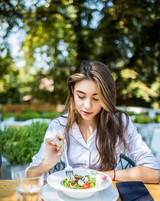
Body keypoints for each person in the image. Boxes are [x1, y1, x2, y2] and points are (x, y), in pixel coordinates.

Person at [26, 60, 160, 183]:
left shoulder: (120, 122)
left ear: (107, 97)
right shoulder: (58, 126)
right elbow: (29, 178)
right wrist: (47, 163)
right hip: (71, 199)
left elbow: (154, 173)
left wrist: (102, 175)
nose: (87, 106)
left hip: (108, 198)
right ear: (72, 91)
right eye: (81, 96)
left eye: (96, 99)